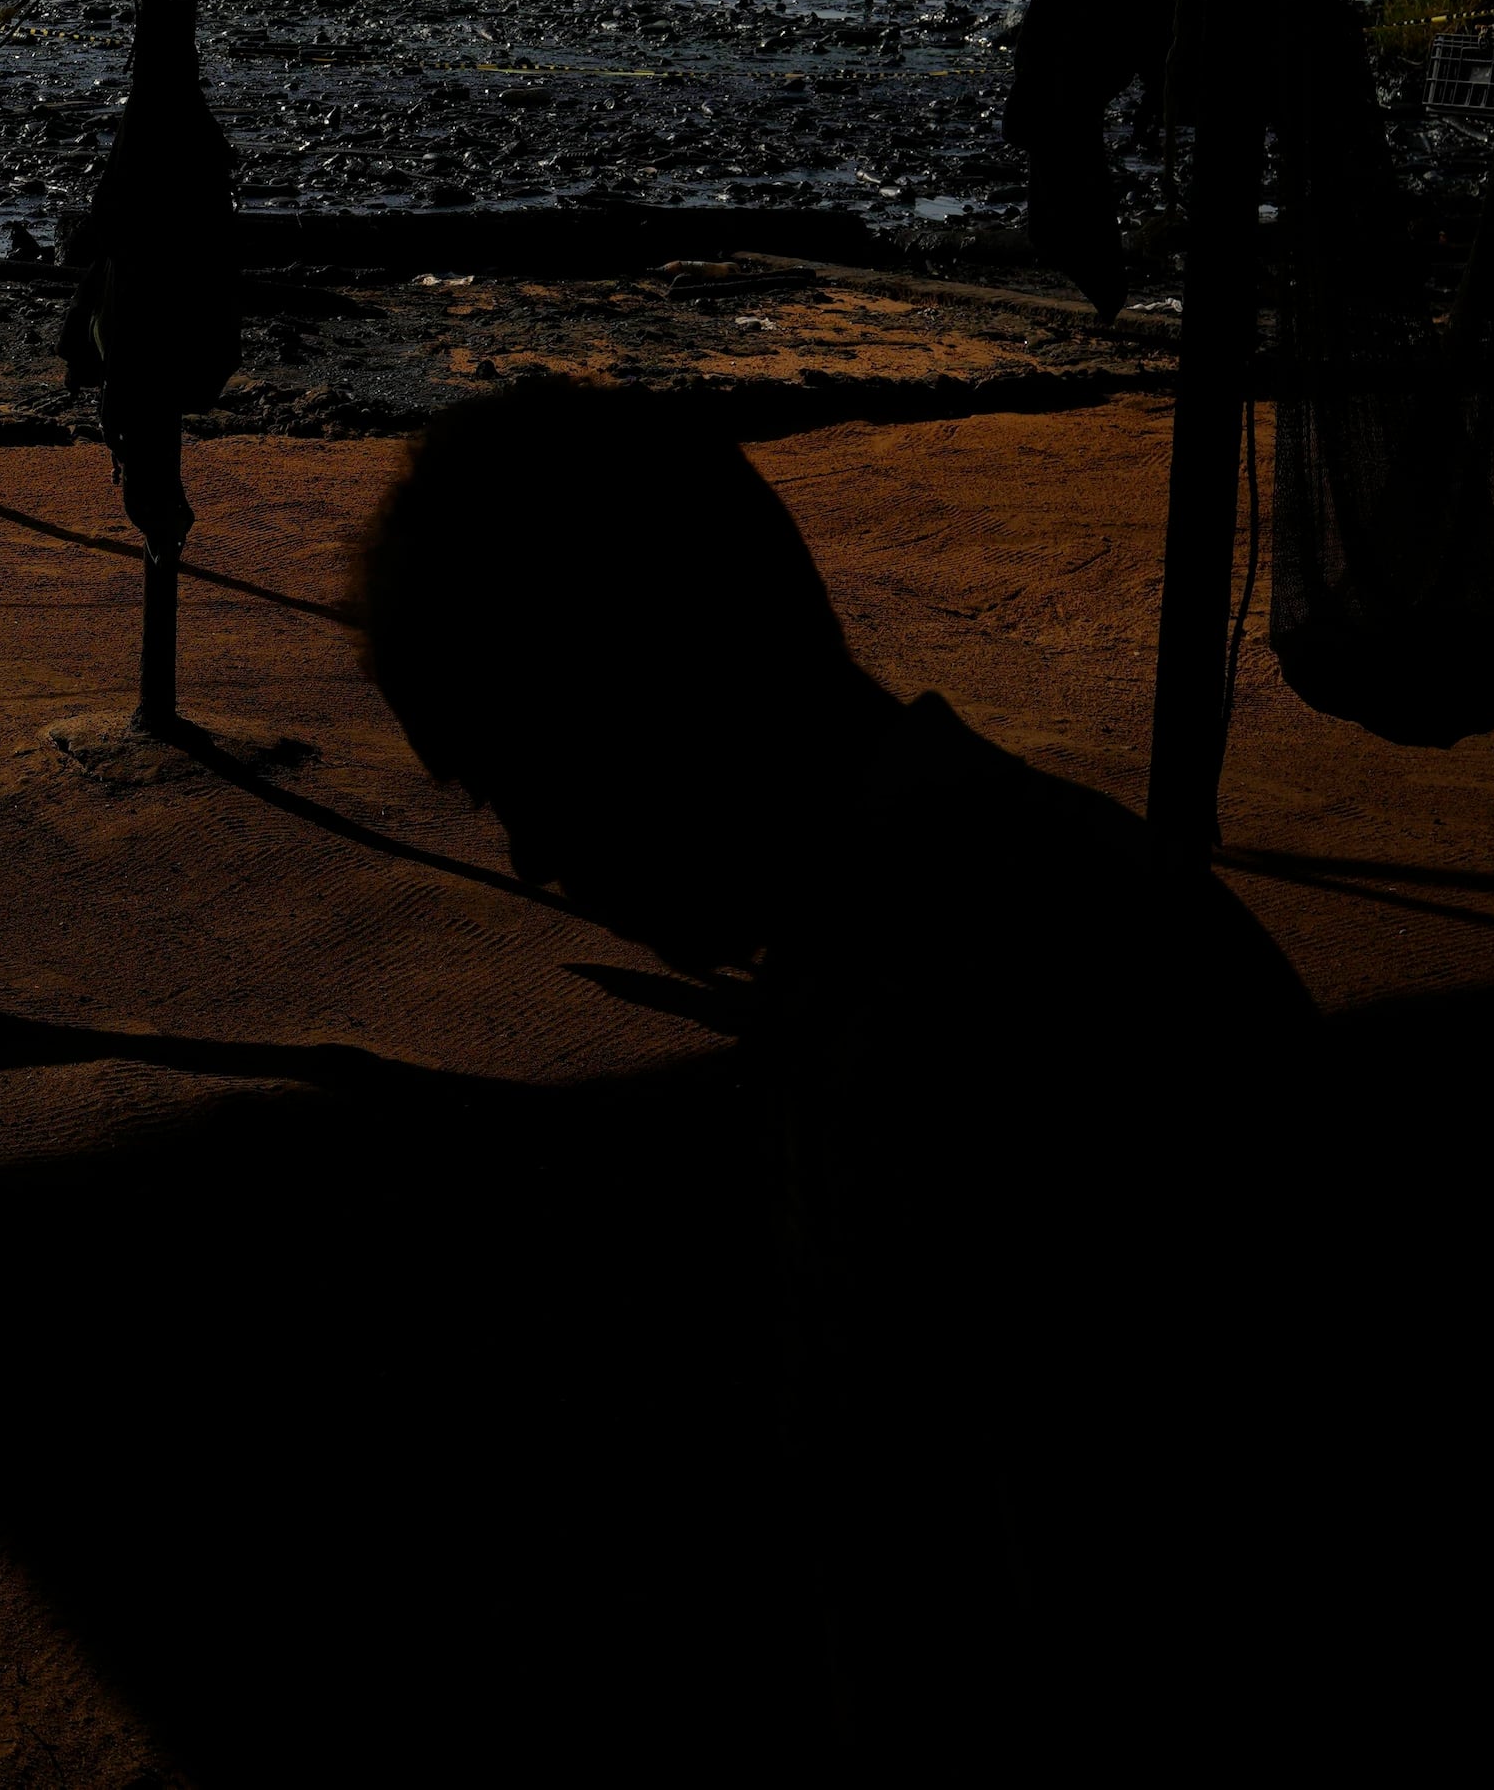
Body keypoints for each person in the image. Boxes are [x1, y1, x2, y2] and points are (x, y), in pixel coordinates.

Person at [360, 379, 1314, 1698]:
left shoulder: (935, 1031)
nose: (531, 857)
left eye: (527, 777)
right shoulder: (1044, 908)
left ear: (651, 704)